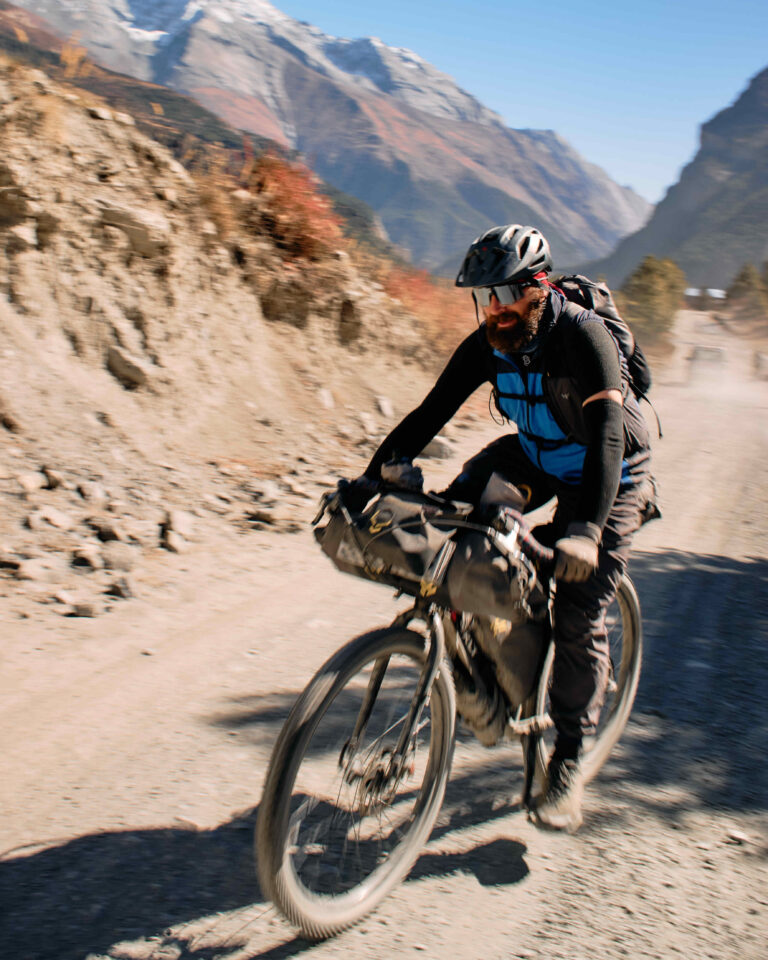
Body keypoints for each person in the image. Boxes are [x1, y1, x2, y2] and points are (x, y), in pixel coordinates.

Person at [346, 223, 654, 833]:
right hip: (538, 454)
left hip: (608, 472)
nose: (495, 310)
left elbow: (609, 439)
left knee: (577, 607)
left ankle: (566, 759)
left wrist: (586, 531)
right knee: (454, 525)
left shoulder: (582, 337)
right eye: (484, 298)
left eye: (506, 295)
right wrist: (371, 478)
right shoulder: (489, 344)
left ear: (539, 288)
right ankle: (479, 655)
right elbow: (429, 412)